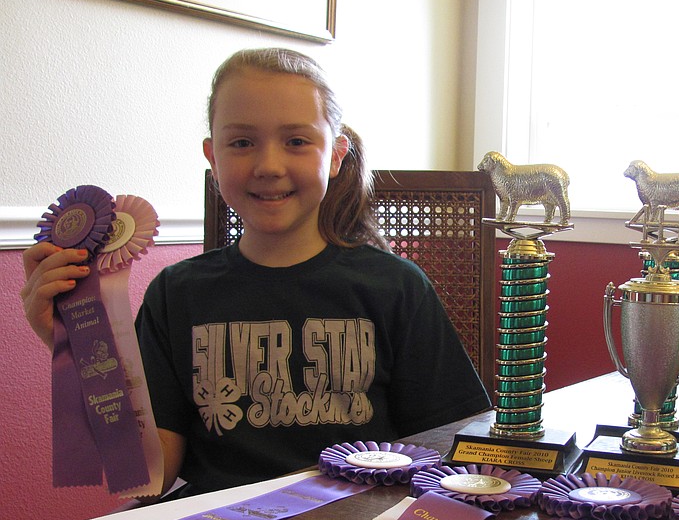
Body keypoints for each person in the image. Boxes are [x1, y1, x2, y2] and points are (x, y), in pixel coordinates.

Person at [21, 47, 491, 497]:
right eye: (242, 142)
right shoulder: (176, 294)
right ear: (213, 156)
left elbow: (455, 451)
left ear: (336, 154)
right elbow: (150, 477)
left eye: (296, 141)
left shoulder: (396, 288)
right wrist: (78, 352)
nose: (268, 165)